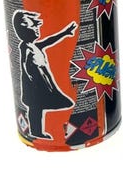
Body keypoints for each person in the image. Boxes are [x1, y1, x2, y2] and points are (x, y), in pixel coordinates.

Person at [12, 10, 77, 139]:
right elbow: (24, 63)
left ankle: (37, 131)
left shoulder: (35, 45)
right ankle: (36, 132)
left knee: (38, 106)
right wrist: (30, 77)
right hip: (34, 82)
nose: (37, 29)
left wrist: (65, 33)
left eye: (37, 26)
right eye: (33, 26)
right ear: (23, 30)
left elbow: (49, 41)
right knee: (36, 107)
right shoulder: (25, 47)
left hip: (43, 79)